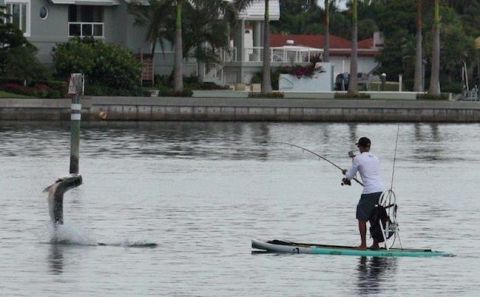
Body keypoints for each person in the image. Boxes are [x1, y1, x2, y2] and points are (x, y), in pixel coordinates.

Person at [342, 137, 384, 250]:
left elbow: (350, 176)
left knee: (361, 217)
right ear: (369, 146)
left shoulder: (358, 159)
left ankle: (363, 245)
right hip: (380, 190)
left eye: (358, 146)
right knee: (374, 216)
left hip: (369, 192)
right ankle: (376, 244)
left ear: (360, 146)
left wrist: (346, 175)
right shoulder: (375, 158)